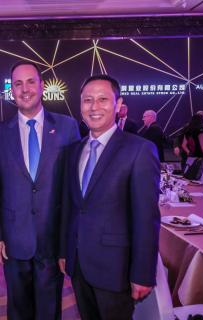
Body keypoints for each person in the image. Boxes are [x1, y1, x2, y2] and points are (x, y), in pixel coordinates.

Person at [0, 61, 80, 319]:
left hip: (52, 238)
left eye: (30, 82)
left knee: (50, 310)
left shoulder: (67, 127)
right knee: (18, 310)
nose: (24, 89)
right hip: (14, 240)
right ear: (11, 90)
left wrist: (70, 239)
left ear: (41, 85)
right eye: (17, 83)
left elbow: (74, 188)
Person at [59, 74, 160, 320]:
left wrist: (143, 273)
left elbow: (146, 219)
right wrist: (64, 251)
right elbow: (70, 208)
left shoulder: (139, 150)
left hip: (117, 269)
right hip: (79, 264)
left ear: (118, 104)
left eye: (103, 99)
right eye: (87, 100)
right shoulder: (74, 151)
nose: (94, 107)